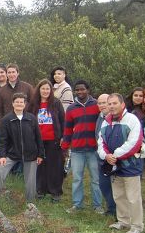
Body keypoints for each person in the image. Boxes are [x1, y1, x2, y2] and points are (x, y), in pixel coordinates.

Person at [98, 94, 145, 233]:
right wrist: (106, 156)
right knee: (118, 195)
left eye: (114, 103)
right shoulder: (106, 122)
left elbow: (134, 142)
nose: (111, 106)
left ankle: (137, 225)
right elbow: (101, 142)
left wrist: (115, 155)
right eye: (109, 104)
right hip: (114, 166)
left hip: (131, 165)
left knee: (133, 197)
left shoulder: (132, 120)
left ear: (122, 104)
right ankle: (123, 221)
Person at [0, 93, 44, 202]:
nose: (19, 104)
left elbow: (38, 137)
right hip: (12, 154)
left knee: (30, 181)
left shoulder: (31, 118)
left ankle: (30, 202)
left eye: (21, 102)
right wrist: (2, 156)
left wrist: (40, 154)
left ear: (25, 104)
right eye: (17, 102)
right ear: (13, 103)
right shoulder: (6, 119)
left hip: (31, 154)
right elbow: (2, 140)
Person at [60, 80, 103, 213]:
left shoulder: (97, 105)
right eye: (77, 90)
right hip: (77, 149)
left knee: (96, 179)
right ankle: (77, 205)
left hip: (94, 149)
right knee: (77, 178)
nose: (80, 92)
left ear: (88, 90)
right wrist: (65, 147)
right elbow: (67, 130)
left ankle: (98, 205)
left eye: (82, 89)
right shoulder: (72, 108)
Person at [27, 79, 65, 201]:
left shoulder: (56, 103)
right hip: (38, 141)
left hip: (54, 140)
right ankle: (40, 190)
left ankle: (55, 192)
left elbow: (63, 121)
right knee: (40, 166)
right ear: (39, 90)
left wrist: (63, 136)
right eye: (43, 88)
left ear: (51, 90)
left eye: (47, 89)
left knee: (55, 166)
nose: (45, 91)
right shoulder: (32, 104)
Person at [94, 94, 116, 216]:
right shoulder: (100, 117)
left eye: (104, 102)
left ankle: (119, 211)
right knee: (104, 184)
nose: (102, 105)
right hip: (101, 157)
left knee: (116, 185)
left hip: (113, 157)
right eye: (100, 103)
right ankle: (111, 208)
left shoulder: (115, 118)